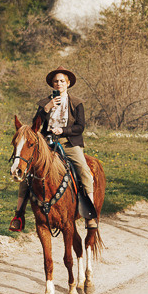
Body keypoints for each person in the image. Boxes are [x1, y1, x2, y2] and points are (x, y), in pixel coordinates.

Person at [10, 67, 98, 230]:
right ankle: (18, 215)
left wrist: (63, 130)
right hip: (47, 143)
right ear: (52, 83)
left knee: (84, 170)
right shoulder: (45, 102)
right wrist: (47, 107)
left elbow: (80, 127)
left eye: (62, 81)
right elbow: (35, 125)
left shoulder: (76, 103)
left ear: (68, 83)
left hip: (69, 143)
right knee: (27, 174)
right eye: (56, 81)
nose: (59, 84)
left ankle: (90, 214)